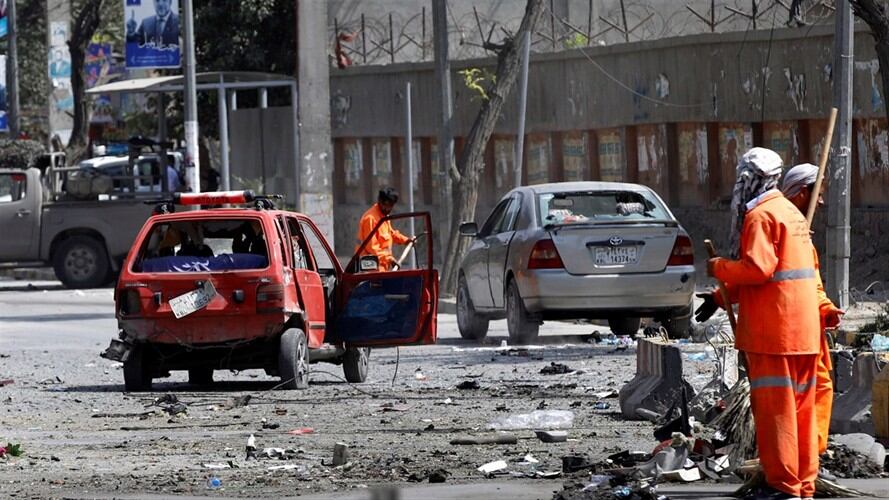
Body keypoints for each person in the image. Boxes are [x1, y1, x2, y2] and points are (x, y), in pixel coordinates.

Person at [701, 148, 822, 500]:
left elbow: (758, 269)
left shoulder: (761, 216)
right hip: (803, 333)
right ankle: (803, 485)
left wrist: (719, 267)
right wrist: (721, 296)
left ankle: (784, 487)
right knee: (801, 415)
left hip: (774, 337)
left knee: (776, 416)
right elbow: (779, 277)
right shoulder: (790, 213)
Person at [780, 163, 844, 460]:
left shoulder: (803, 238)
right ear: (802, 193)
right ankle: (796, 463)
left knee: (819, 391)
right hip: (787, 337)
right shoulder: (780, 229)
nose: (821, 202)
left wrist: (826, 308)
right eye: (817, 194)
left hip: (809, 333)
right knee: (793, 401)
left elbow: (810, 285)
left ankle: (809, 460)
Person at [356, 187, 414, 271]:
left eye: (390, 206)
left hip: (381, 266)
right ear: (379, 201)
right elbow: (372, 247)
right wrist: (389, 259)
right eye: (384, 205)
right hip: (370, 267)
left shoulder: (383, 216)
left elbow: (390, 233)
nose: (386, 208)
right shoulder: (371, 219)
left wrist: (406, 240)